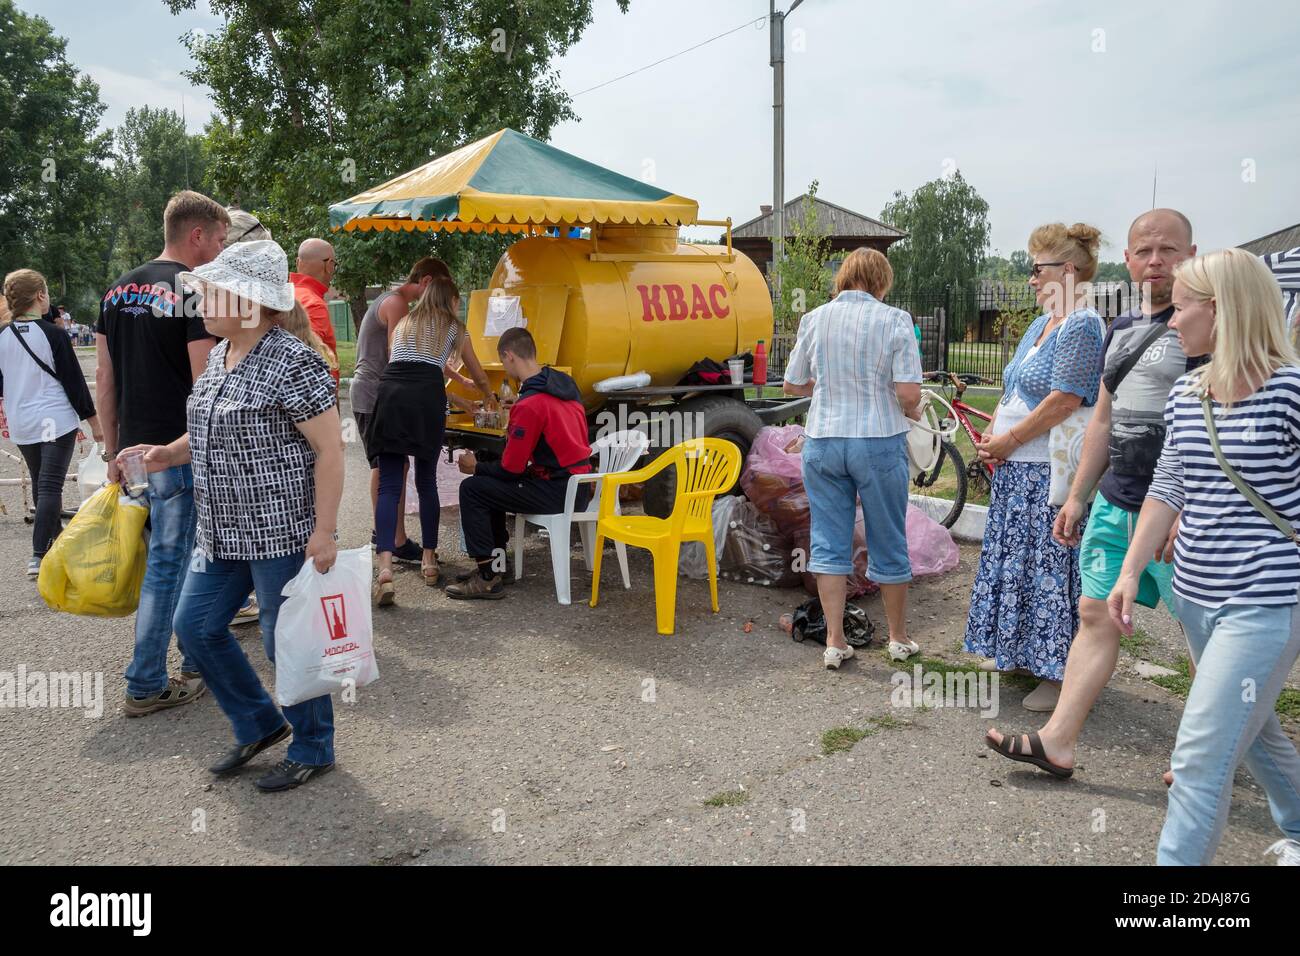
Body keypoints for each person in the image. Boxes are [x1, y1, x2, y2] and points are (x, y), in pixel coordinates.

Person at [121, 239, 344, 792]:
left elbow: (330, 451)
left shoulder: (294, 360)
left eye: (212, 293)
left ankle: (314, 745)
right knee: (194, 627)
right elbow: (208, 429)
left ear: (247, 299)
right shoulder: (221, 355)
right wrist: (167, 453)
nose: (203, 302)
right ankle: (258, 723)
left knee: (282, 640)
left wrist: (323, 531)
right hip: (221, 530)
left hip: (281, 530)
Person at [984, 209, 1198, 774]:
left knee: (1197, 628)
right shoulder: (1123, 328)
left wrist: (1194, 503)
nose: (1155, 261)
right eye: (1144, 252)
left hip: (1179, 510)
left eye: (1168, 251)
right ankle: (1058, 741)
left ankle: (1208, 750)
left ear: (1190, 255)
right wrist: (1079, 495)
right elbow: (1101, 419)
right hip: (1118, 499)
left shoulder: (1203, 325)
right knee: (1095, 612)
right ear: (1127, 261)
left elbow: (1216, 415)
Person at [1108, 249, 1300, 866]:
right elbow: (1170, 484)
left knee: (1196, 758)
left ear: (1221, 311)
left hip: (1264, 604)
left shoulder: (1291, 392)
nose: (1171, 320)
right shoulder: (1189, 393)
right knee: (1259, 734)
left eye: (1183, 305)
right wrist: (1132, 569)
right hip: (1194, 595)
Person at [97, 189, 229, 717]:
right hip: (178, 450)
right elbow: (207, 383)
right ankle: (148, 680)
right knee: (175, 563)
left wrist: (112, 449)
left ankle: (193, 659)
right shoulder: (194, 290)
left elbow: (105, 378)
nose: (221, 250)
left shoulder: (115, 291)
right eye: (219, 239)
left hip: (133, 449)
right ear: (196, 235)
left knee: (168, 559)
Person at [963, 223, 1106, 712]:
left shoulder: (1082, 324)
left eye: (1036, 268)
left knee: (1050, 570)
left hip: (1047, 470)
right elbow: (1018, 390)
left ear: (1067, 270)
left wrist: (1009, 439)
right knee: (1022, 566)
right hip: (1019, 467)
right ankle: (1025, 655)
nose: (1030, 279)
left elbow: (1065, 400)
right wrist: (997, 438)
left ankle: (1060, 670)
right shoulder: (1042, 322)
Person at [782, 247, 922, 669]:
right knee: (888, 537)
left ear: (844, 278)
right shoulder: (895, 319)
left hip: (823, 441)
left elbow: (791, 384)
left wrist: (828, 388)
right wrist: (910, 410)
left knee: (827, 540)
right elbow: (909, 395)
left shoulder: (813, 319)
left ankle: (834, 640)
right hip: (877, 439)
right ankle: (897, 639)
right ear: (881, 282)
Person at [368, 274, 494, 605]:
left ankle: (384, 568)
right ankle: (428, 559)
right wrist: (489, 396)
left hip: (391, 394)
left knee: (389, 486)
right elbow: (476, 373)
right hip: (425, 399)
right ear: (451, 301)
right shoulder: (453, 326)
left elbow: (409, 365)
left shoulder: (406, 322)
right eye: (457, 301)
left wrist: (459, 398)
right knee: (426, 482)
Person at [448, 327, 590, 600]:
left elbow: (511, 469)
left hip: (557, 492)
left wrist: (475, 466)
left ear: (509, 356)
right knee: (491, 485)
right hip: (579, 486)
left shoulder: (531, 404)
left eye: (503, 362)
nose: (504, 367)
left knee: (474, 489)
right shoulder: (564, 388)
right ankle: (498, 564)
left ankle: (487, 576)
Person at [0, 270, 102, 577]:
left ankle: (54, 548)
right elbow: (74, 382)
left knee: (41, 483)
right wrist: (94, 422)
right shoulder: (54, 335)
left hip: (23, 422)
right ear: (40, 296)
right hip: (54, 419)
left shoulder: (2, 336)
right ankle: (40, 554)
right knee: (49, 486)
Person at [351, 258, 452, 564]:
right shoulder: (397, 305)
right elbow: (397, 354)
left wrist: (456, 380)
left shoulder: (391, 299)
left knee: (396, 469)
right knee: (384, 469)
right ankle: (389, 538)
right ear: (427, 281)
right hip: (374, 393)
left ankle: (392, 537)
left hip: (377, 391)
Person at [289, 238, 340, 386]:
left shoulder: (282, 296)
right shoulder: (314, 304)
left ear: (298, 262)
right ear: (329, 265)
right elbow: (313, 362)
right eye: (334, 265)